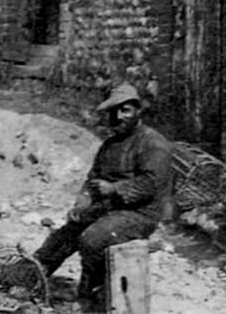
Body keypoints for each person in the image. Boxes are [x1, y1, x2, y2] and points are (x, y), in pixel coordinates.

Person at [33, 83, 172, 313]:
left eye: (125, 110)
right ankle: (32, 275)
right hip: (108, 207)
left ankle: (91, 298)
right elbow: (92, 178)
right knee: (67, 232)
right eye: (114, 111)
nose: (118, 117)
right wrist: (83, 201)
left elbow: (151, 184)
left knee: (92, 239)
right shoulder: (110, 144)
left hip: (139, 213)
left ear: (138, 111)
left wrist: (114, 188)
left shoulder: (152, 143)